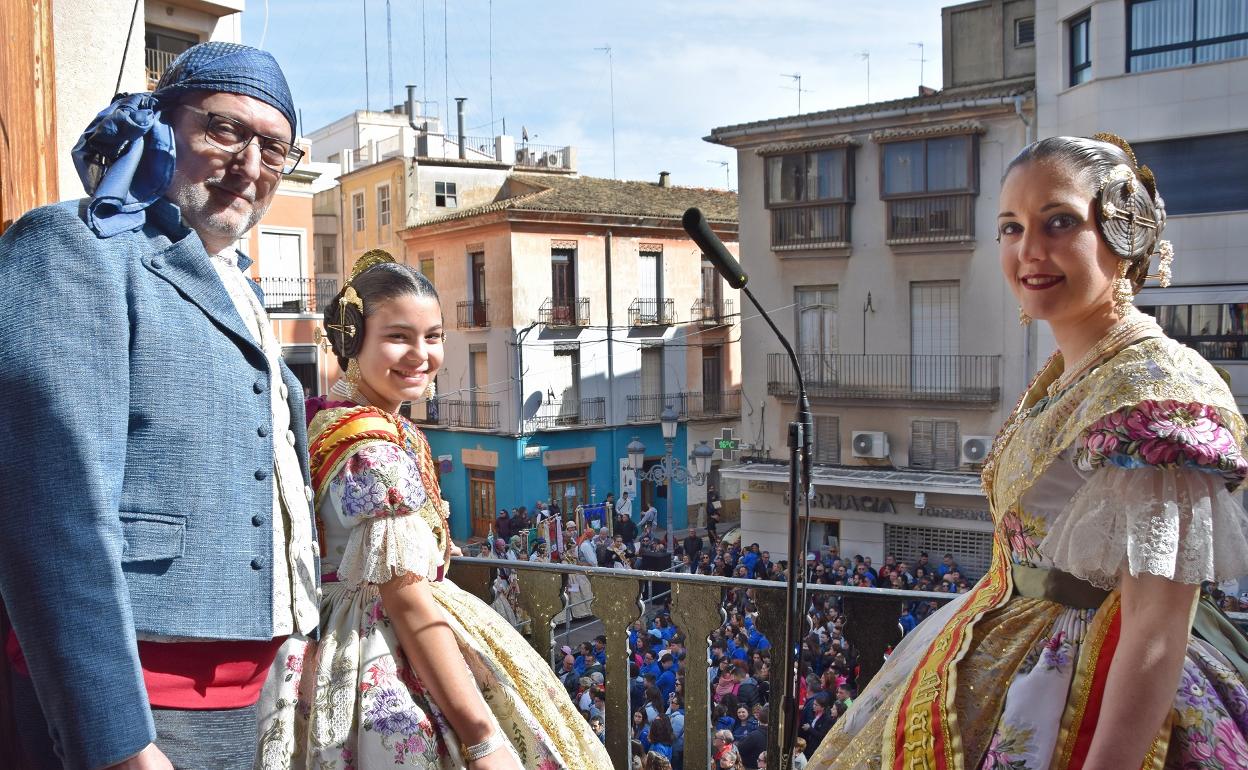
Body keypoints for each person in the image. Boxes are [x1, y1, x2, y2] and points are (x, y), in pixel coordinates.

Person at [808, 134, 1248, 769]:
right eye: (1010, 228)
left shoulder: (1161, 390)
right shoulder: (1068, 372)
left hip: (1092, 691)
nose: (1028, 251)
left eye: (1059, 222)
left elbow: (1155, 630)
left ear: (1124, 234)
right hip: (1000, 647)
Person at [0, 42, 320, 770]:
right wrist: (115, 738)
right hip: (136, 705)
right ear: (160, 125)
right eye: (226, 130)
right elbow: (53, 513)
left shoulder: (234, 282)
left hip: (242, 698)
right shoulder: (75, 248)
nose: (250, 167)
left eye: (275, 149)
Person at [256, 254, 609, 768]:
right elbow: (406, 600)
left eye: (434, 336)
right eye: (399, 336)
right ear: (353, 338)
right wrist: (482, 740)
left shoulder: (347, 420)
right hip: (374, 643)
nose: (421, 355)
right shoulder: (370, 447)